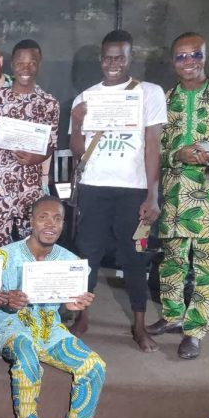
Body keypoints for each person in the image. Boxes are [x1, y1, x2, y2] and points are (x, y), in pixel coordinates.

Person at [146, 32, 209, 359]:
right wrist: (178, 154)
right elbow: (155, 147)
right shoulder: (166, 98)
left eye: (195, 55)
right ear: (173, 61)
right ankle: (172, 315)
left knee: (207, 267)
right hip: (176, 197)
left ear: (205, 56)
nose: (188, 62)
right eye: (181, 56)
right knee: (172, 262)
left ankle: (194, 331)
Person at [0, 196, 105, 418]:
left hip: (50, 329)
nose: (50, 224)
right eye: (43, 217)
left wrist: (72, 307)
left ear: (64, 224)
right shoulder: (3, 256)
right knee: (28, 360)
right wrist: (6, 300)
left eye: (57, 218)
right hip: (11, 326)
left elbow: (65, 305)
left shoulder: (71, 262)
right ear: (30, 221)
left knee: (94, 366)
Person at [67, 30, 166, 351]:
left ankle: (139, 326)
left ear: (130, 57)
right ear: (100, 59)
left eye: (120, 57)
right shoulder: (85, 97)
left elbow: (153, 147)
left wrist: (152, 194)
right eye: (108, 58)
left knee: (135, 259)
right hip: (94, 189)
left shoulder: (149, 93)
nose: (113, 64)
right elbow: (78, 150)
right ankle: (82, 316)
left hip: (132, 191)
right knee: (87, 256)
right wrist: (78, 121)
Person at [0, 39, 59, 249]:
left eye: (32, 63)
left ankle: (27, 283)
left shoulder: (49, 103)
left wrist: (36, 157)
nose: (25, 69)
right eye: (20, 64)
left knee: (32, 244)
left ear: (39, 64)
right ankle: (0, 282)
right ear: (12, 65)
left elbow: (51, 143)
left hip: (31, 187)